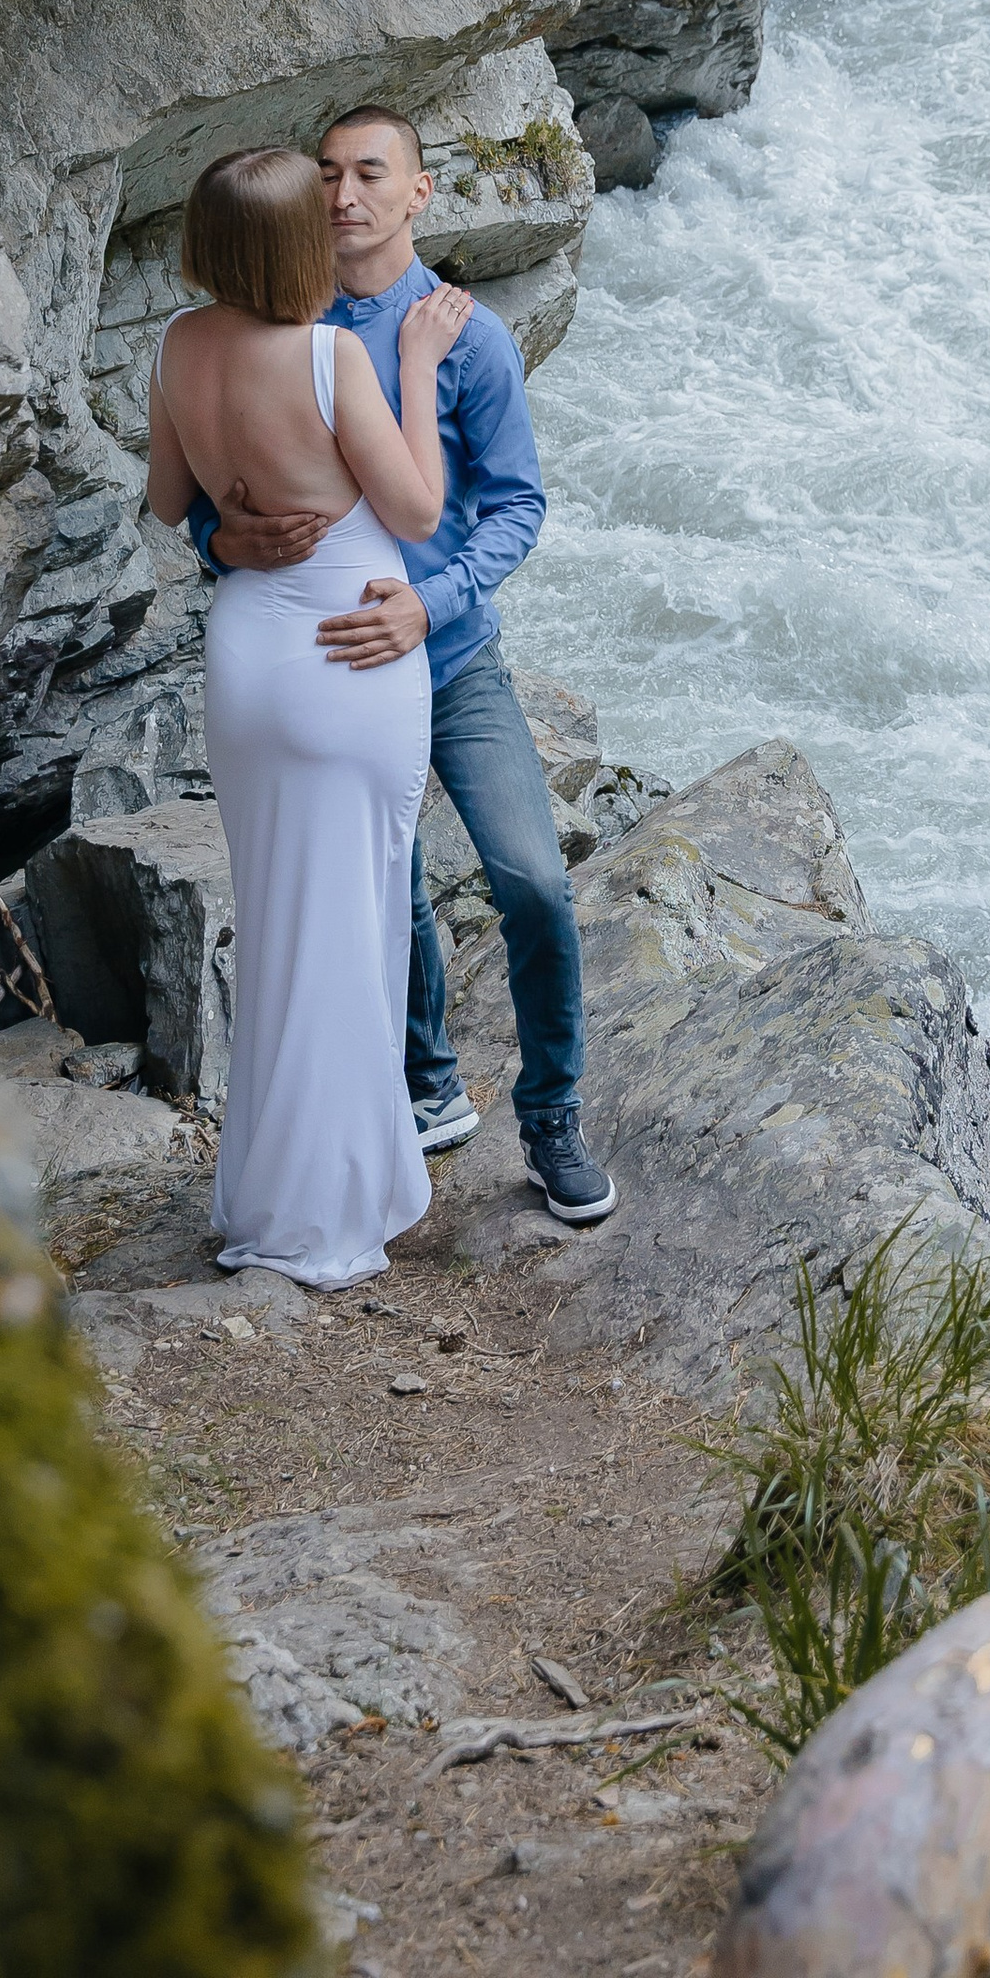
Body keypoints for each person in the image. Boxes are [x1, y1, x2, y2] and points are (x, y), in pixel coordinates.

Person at [188, 105, 617, 1229]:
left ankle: (554, 1114)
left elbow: (518, 506)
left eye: (370, 173)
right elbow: (205, 504)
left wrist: (428, 606)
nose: (343, 195)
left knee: (530, 875)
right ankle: (423, 1086)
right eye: (324, 173)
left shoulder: (461, 336)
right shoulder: (280, 323)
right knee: (380, 882)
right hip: (326, 657)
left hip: (449, 653)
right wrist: (222, 543)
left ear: (420, 192)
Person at [145, 145, 470, 1291]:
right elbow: (419, 506)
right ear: (290, 247)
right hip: (351, 649)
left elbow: (168, 502)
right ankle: (327, 1210)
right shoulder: (333, 354)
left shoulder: (180, 346)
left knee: (284, 924)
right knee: (354, 926)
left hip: (248, 653)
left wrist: (239, 532)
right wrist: (420, 366)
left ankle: (288, 1188)